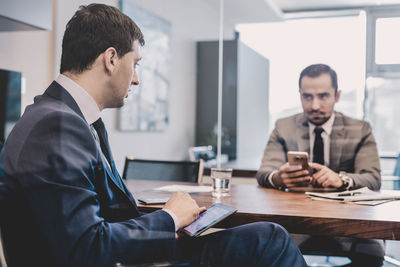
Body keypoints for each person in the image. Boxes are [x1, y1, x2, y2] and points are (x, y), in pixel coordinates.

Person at [0, 4, 306, 267]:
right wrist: (169, 217)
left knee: (263, 237)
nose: (135, 79)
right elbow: (86, 246)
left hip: (123, 254)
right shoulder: (57, 126)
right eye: (135, 64)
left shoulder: (57, 116)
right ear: (110, 59)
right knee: (271, 239)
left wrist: (171, 220)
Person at [256, 63, 384, 266]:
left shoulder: (360, 129)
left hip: (347, 221)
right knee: (266, 247)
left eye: (323, 96)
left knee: (373, 252)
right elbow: (264, 173)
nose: (314, 105)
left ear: (337, 96)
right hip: (297, 219)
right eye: (307, 96)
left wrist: (341, 179)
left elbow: (373, 178)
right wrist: (277, 177)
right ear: (300, 95)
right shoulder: (284, 127)